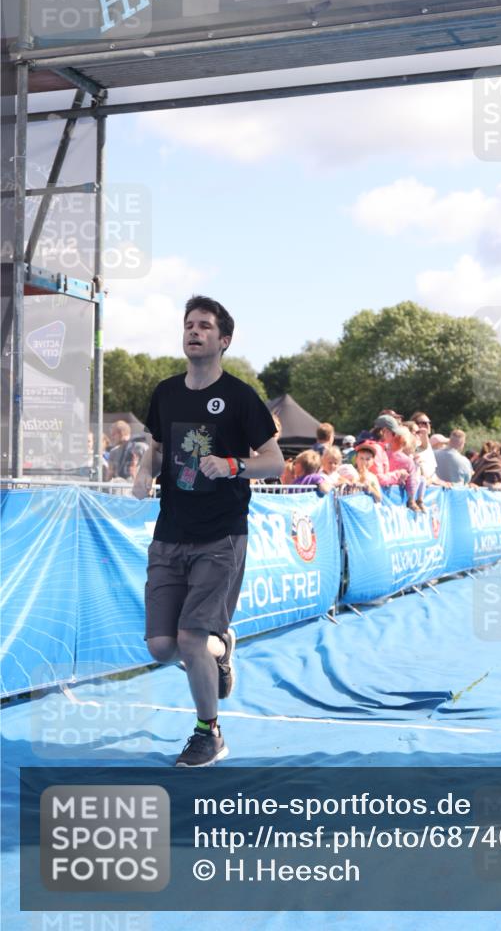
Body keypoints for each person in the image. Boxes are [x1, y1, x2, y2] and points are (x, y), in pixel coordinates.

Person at [132, 295, 284, 767]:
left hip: (221, 534)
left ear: (224, 340)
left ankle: (208, 732)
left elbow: (275, 462)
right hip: (170, 531)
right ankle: (223, 646)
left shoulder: (240, 397)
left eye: (204, 326)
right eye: (188, 325)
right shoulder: (166, 392)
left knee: (192, 639)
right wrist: (143, 470)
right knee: (162, 647)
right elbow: (157, 447)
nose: (193, 332)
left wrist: (235, 464)